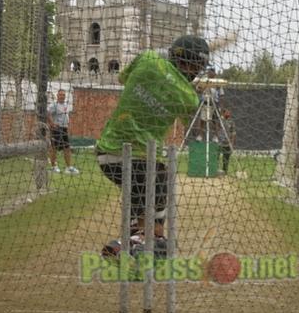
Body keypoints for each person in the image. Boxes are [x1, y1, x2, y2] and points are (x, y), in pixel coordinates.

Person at [96, 35, 209, 250]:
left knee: (147, 191)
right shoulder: (188, 96)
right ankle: (137, 242)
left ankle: (136, 239)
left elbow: (123, 79)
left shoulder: (147, 58)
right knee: (156, 185)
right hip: (143, 161)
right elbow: (191, 121)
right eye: (198, 67)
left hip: (106, 154)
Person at [47, 89, 79, 174]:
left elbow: (67, 116)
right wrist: (52, 123)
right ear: (57, 95)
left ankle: (68, 168)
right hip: (56, 129)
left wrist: (69, 125)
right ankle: (54, 167)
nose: (62, 96)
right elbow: (48, 113)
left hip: (64, 129)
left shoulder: (65, 105)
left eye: (64, 95)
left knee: (67, 148)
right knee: (54, 148)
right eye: (61, 95)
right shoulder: (54, 104)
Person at [217, 108, 236, 175]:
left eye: (229, 112)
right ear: (224, 113)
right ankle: (215, 169)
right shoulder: (220, 120)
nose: (229, 114)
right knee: (216, 156)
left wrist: (232, 143)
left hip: (227, 143)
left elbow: (233, 133)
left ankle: (225, 171)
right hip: (219, 141)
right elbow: (216, 127)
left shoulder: (231, 122)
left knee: (226, 158)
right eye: (227, 112)